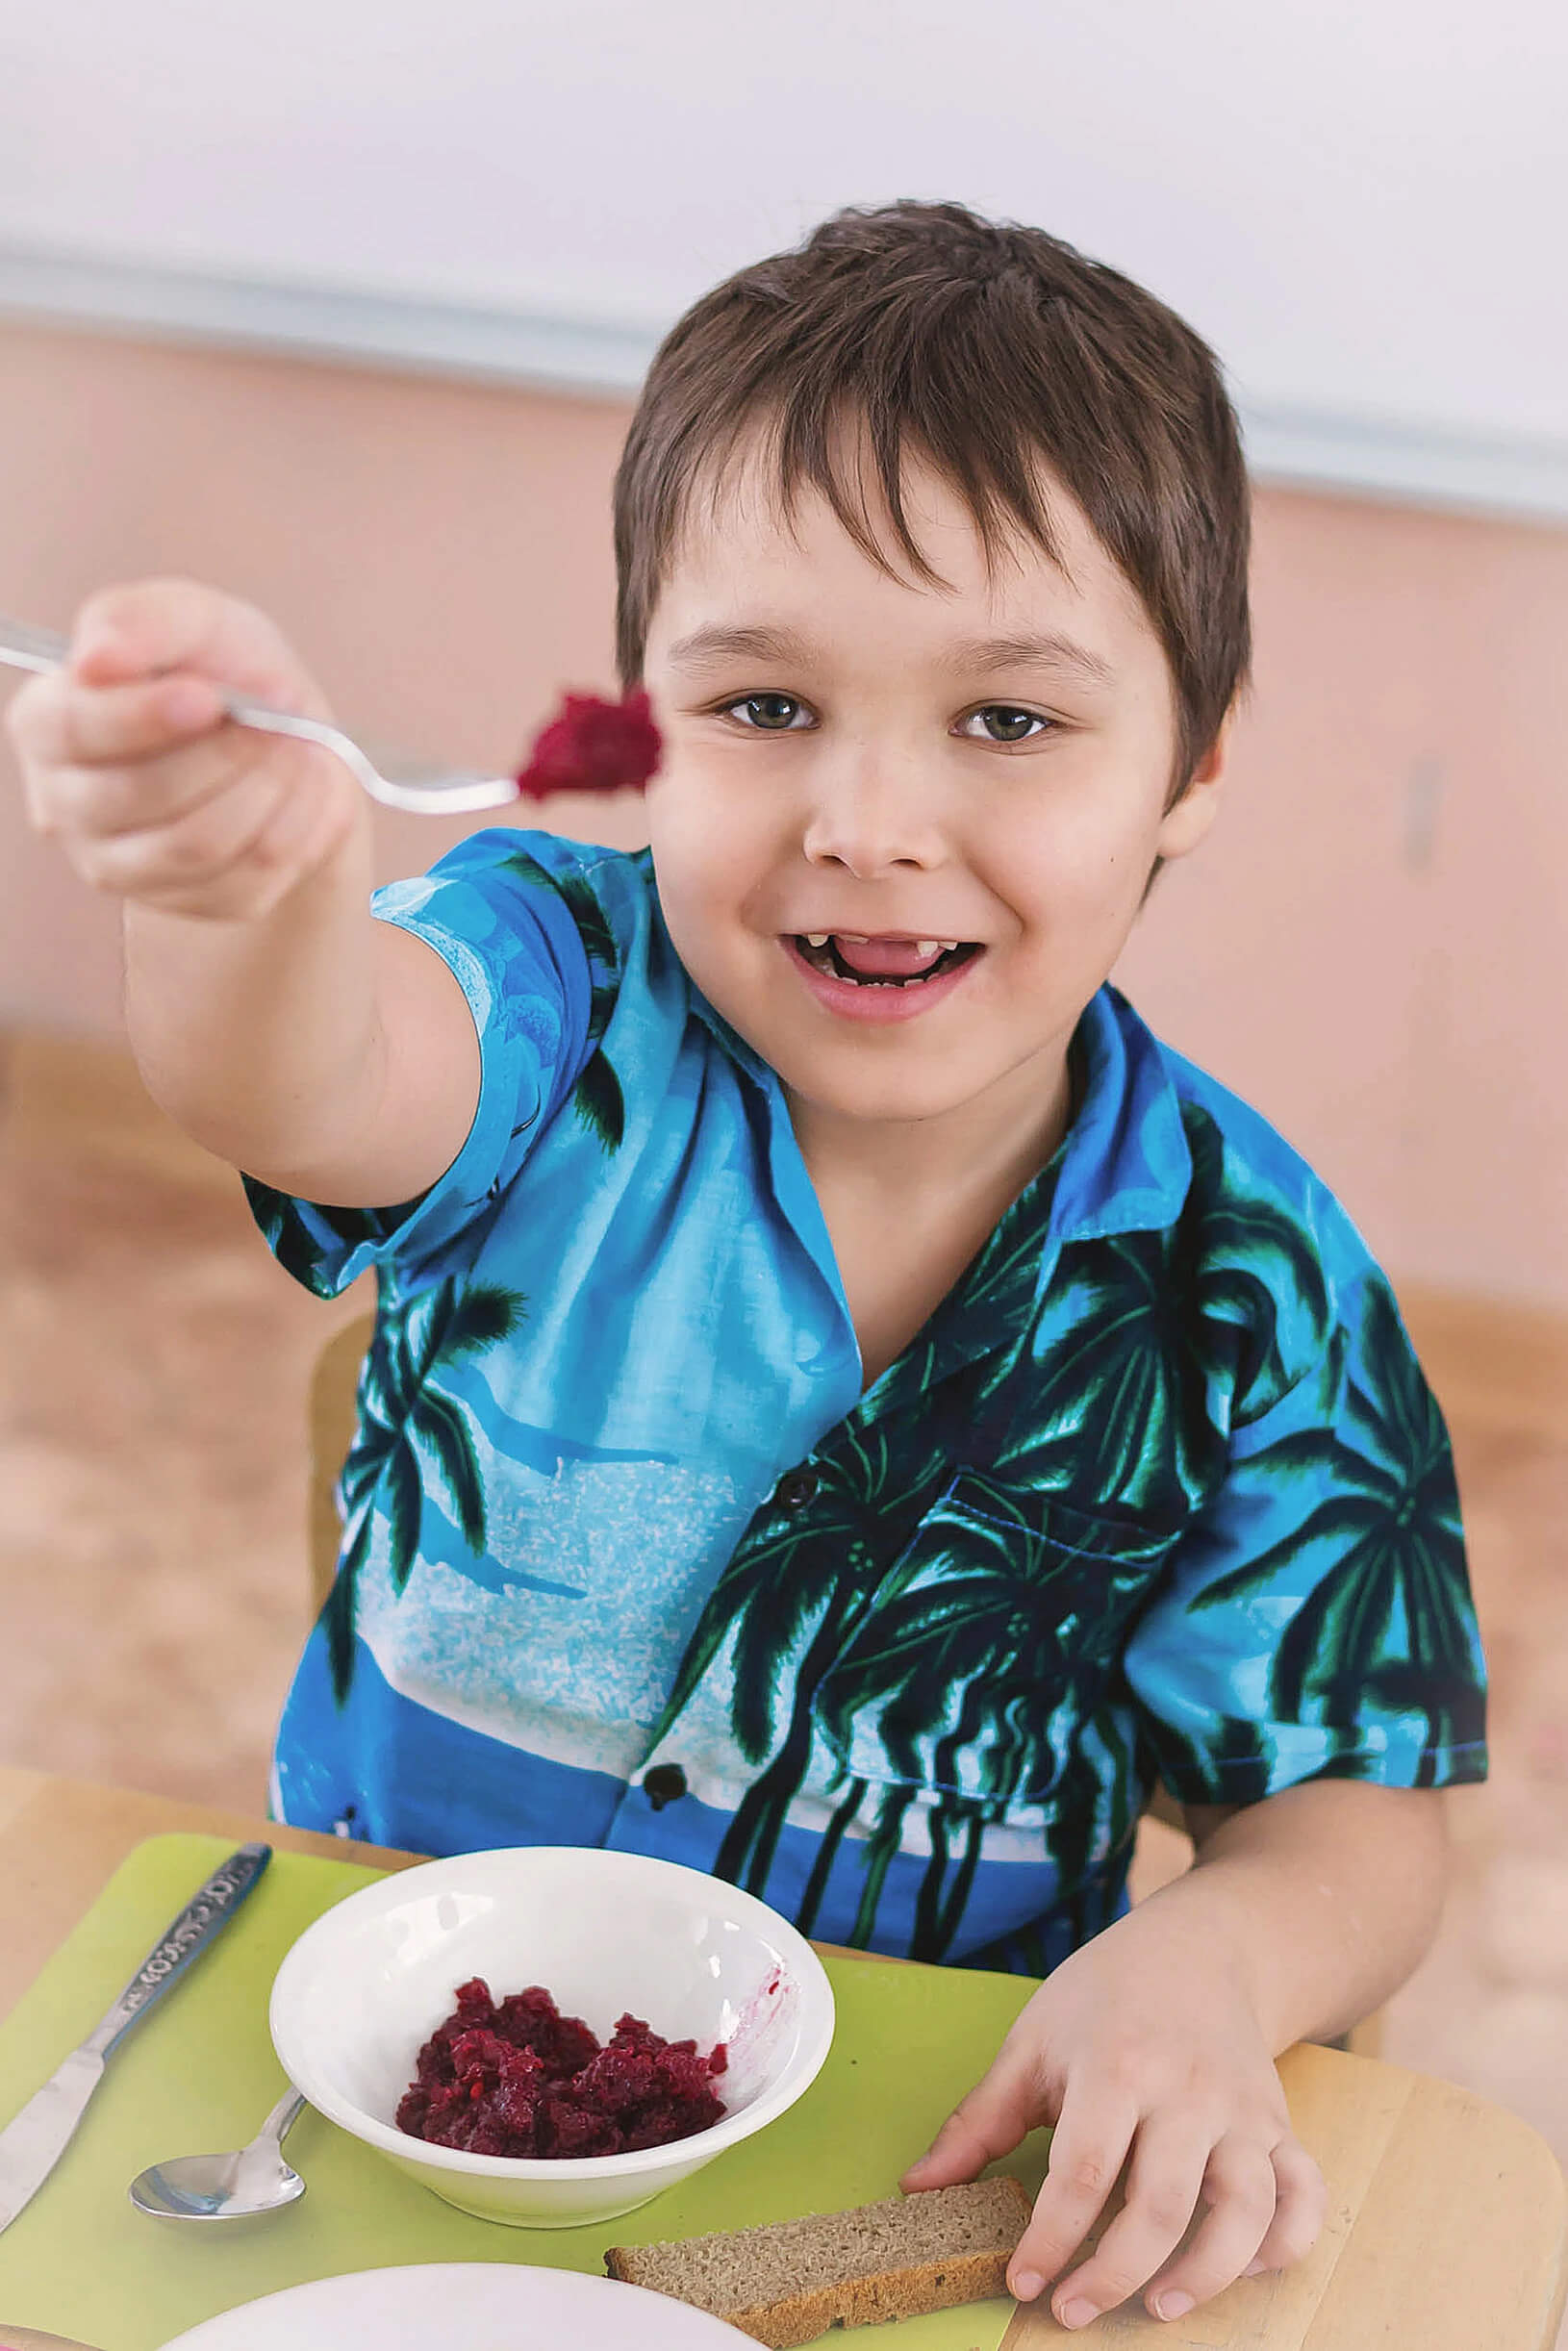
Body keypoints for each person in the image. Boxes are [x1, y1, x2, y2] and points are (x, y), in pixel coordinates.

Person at [7, 200, 1485, 2330]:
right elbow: (322, 1076)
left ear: (1198, 757)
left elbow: (1353, 1802)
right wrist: (238, 894)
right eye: (766, 703)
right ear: (637, 728)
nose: (868, 821)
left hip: (905, 2154)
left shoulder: (1249, 1280)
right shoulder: (551, 987)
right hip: (372, 2097)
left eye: (1006, 723)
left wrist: (1211, 1961)